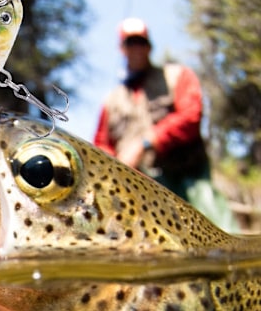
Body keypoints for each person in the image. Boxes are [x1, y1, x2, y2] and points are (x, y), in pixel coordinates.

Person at [93, 17, 238, 232]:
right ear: (122, 48)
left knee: (221, 237)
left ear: (149, 46)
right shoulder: (111, 101)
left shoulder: (178, 76)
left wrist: (146, 142)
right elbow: (101, 145)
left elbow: (191, 116)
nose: (137, 48)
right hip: (140, 195)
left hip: (189, 182)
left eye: (141, 42)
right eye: (130, 43)